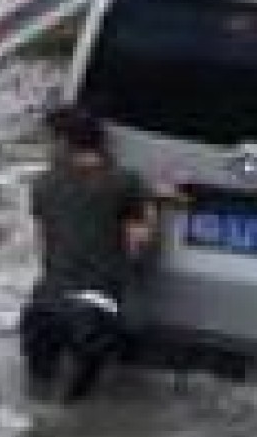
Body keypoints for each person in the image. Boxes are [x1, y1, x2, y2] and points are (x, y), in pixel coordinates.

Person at [18, 103, 157, 401]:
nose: (48, 148)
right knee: (76, 404)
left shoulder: (43, 184)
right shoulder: (128, 182)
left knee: (38, 398)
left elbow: (43, 247)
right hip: (93, 310)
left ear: (64, 142)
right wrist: (152, 205)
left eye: (50, 140)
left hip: (44, 307)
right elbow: (138, 246)